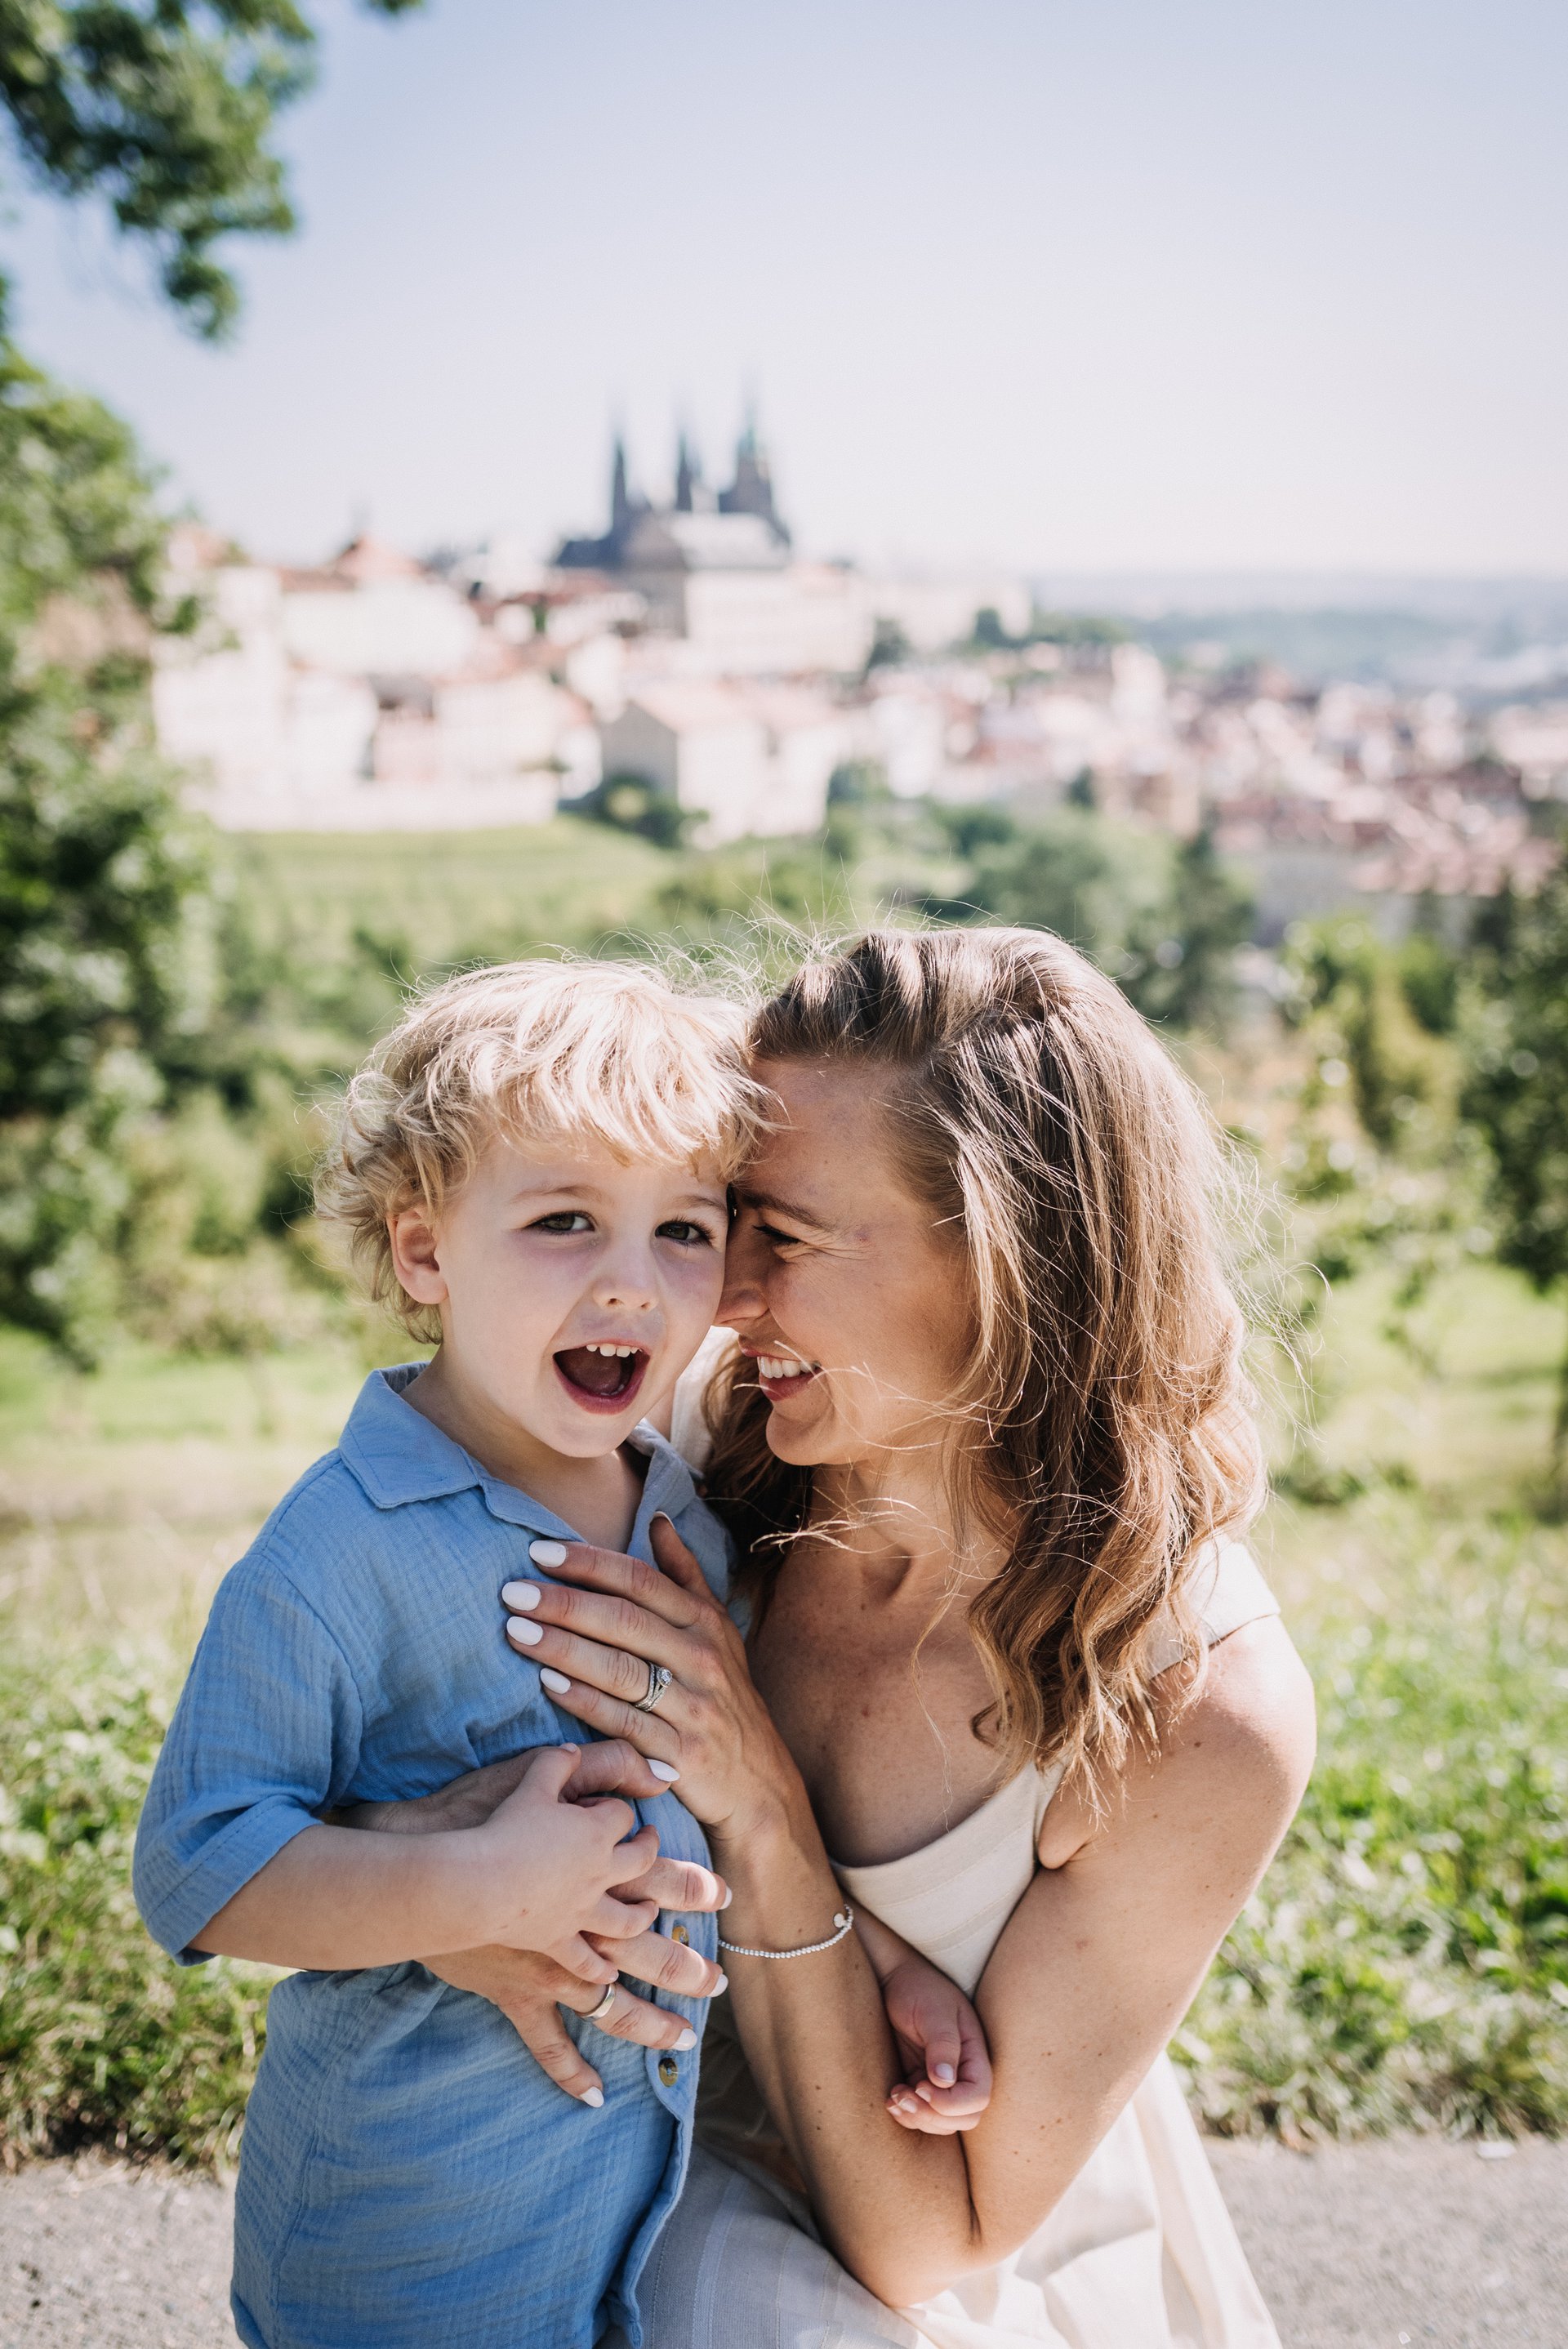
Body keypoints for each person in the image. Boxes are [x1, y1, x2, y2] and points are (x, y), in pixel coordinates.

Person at [421, 926, 1317, 2348]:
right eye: (731, 1218)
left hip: (936, 2270)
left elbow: (925, 2245)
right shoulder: (671, 1447)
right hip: (594, 2146)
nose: (723, 1297)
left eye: (784, 1237)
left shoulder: (1197, 1699)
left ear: (1011, 1261)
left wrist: (766, 1813)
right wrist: (451, 1895)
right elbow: (367, 1748)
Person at [132, 962, 755, 2349]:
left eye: (684, 1230)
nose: (631, 1282)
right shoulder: (341, 1544)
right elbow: (197, 1863)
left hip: (621, 2232)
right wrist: (475, 1889)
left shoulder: (690, 1518)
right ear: (424, 1254)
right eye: (563, 1220)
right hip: (406, 2241)